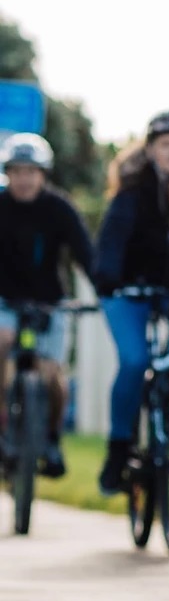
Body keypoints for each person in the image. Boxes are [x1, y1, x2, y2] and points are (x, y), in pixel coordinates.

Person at [95, 110, 169, 495]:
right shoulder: (132, 193)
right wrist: (108, 277)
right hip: (128, 290)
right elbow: (110, 243)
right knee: (134, 361)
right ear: (151, 151)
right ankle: (118, 450)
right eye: (166, 145)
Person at [0, 132, 96, 478]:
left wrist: (105, 290)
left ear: (44, 175)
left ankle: (52, 438)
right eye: (17, 171)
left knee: (52, 374)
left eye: (31, 171)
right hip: (5, 300)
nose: (24, 178)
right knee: (3, 341)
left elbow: (86, 254)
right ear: (7, 174)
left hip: (50, 303)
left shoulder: (60, 209)